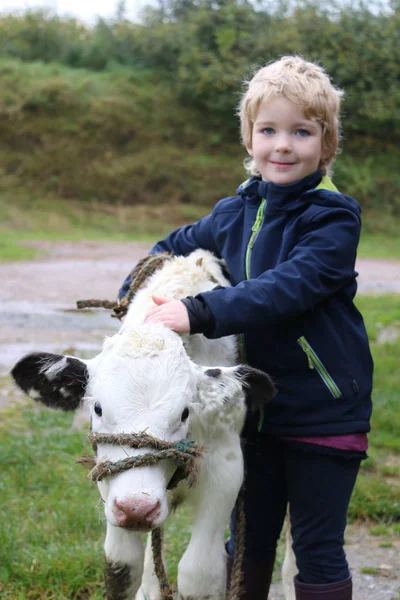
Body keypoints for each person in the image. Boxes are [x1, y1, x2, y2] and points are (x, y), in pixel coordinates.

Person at [118, 56, 373, 600]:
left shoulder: (333, 218)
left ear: (326, 144)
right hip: (247, 414)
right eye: (269, 130)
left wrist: (201, 311)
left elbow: (290, 287)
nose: (283, 145)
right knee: (247, 545)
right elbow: (169, 248)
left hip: (322, 411)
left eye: (302, 132)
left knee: (316, 546)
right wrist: (135, 296)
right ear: (250, 137)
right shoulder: (232, 212)